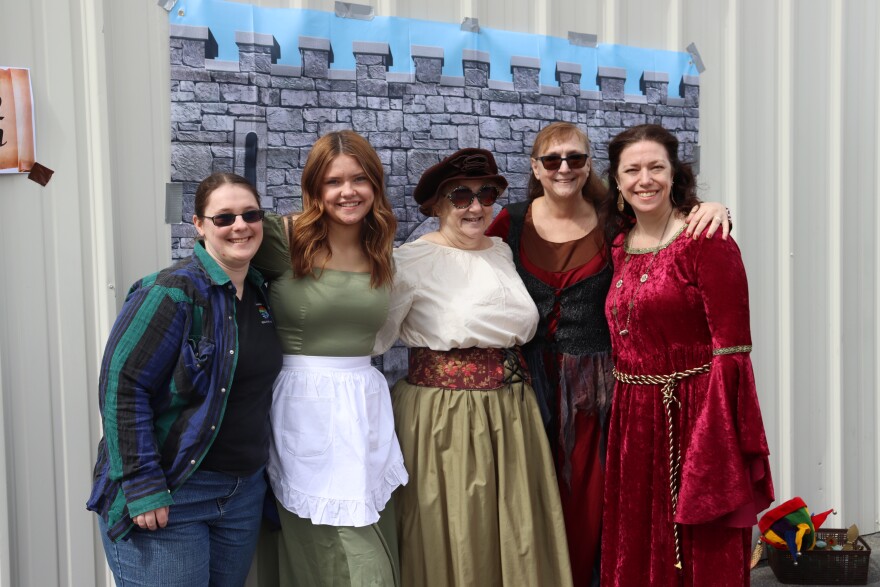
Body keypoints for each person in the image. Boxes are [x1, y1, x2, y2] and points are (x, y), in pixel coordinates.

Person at [485, 121, 731, 585]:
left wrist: (713, 208)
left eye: (575, 158)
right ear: (536, 168)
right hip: (528, 382)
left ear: (589, 165)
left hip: (597, 386)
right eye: (552, 160)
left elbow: (666, 222)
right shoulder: (510, 221)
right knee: (536, 498)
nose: (564, 168)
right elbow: (468, 254)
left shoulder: (612, 217)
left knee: (594, 503)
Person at [374, 148, 572, 587]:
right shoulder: (410, 261)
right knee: (460, 530)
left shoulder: (500, 251)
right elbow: (377, 336)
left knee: (515, 527)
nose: (476, 206)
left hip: (513, 413)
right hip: (447, 417)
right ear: (437, 205)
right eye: (460, 196)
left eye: (486, 194)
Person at [87, 172, 283, 586]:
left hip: (241, 495)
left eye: (250, 214)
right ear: (198, 225)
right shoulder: (170, 292)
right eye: (223, 218)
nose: (240, 225)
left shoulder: (262, 295)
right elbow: (122, 390)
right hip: (175, 492)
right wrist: (142, 486)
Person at [600, 124, 774, 586]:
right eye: (631, 170)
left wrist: (716, 440)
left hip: (696, 412)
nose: (645, 179)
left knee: (699, 540)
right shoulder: (619, 246)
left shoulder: (707, 239)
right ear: (616, 182)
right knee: (639, 535)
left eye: (656, 167)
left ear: (674, 173)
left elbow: (733, 350)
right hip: (633, 414)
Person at [251, 130, 408, 586]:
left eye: (359, 179)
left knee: (373, 532)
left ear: (375, 185)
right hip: (306, 407)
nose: (347, 192)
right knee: (332, 547)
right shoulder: (283, 238)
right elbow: (219, 260)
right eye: (333, 181)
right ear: (315, 188)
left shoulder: (380, 248)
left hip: (364, 406)